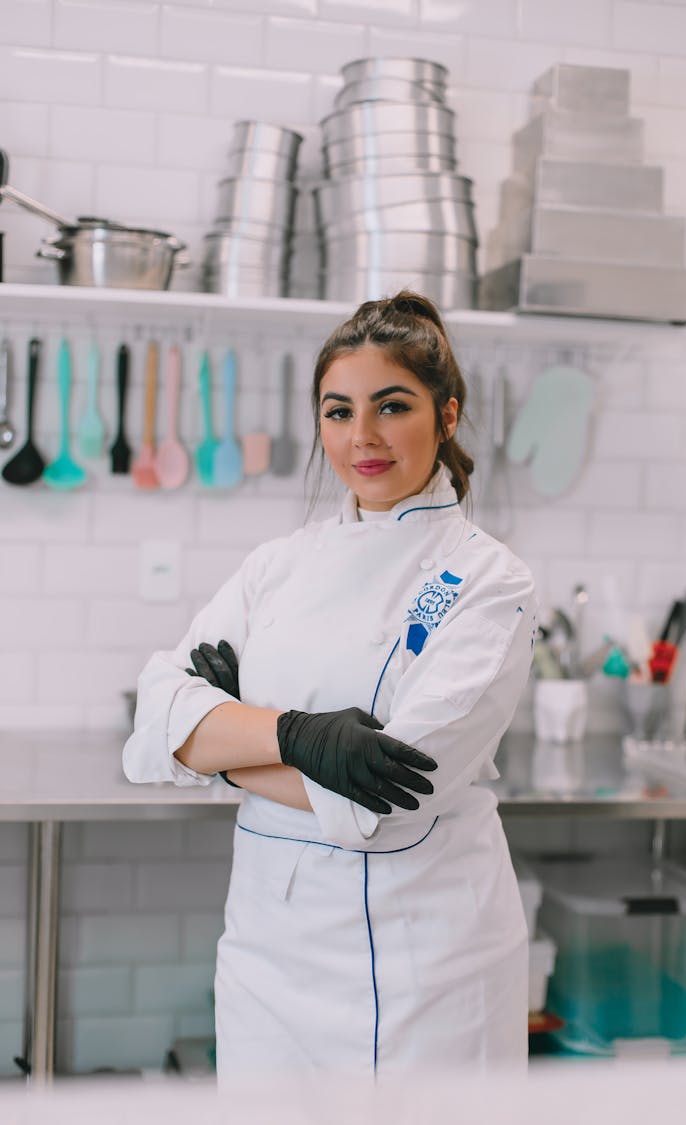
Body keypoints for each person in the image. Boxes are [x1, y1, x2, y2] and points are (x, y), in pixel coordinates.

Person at [123, 291, 537, 1079]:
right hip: (266, 956)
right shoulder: (278, 565)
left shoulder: (486, 578)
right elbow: (154, 718)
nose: (363, 437)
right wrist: (299, 737)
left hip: (424, 968)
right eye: (338, 411)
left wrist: (219, 741)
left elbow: (390, 787)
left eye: (392, 406)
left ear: (447, 415)